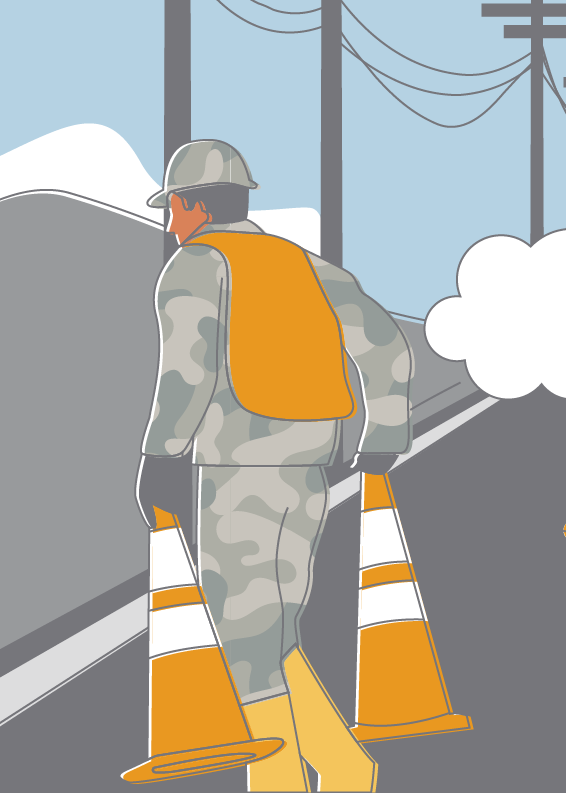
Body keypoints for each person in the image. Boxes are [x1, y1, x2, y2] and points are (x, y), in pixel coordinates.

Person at [135, 139, 412, 791]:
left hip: (235, 471)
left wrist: (160, 455)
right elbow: (384, 345)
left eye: (173, 207)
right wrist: (383, 433)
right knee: (272, 632)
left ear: (194, 205)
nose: (170, 221)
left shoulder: (194, 268)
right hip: (311, 468)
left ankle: (293, 779)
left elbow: (186, 373)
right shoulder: (307, 266)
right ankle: (347, 770)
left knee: (243, 648)